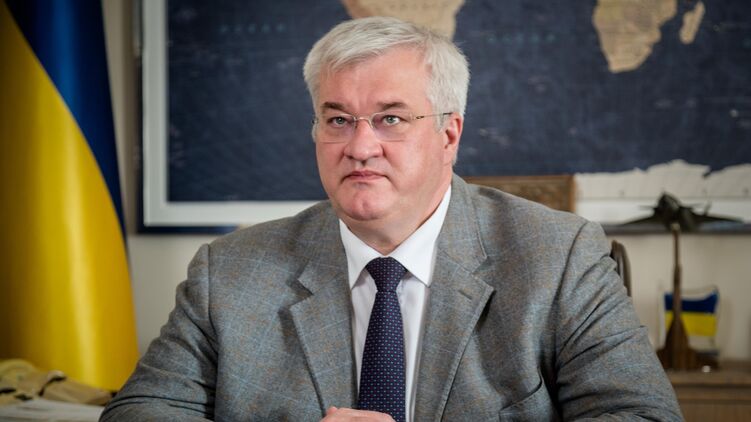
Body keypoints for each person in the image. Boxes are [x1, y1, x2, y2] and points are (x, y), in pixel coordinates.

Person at [102, 17, 682, 421]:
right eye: (338, 120)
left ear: (449, 134)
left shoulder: (558, 256)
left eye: (391, 119)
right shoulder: (230, 272)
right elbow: (140, 412)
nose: (360, 147)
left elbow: (640, 416)